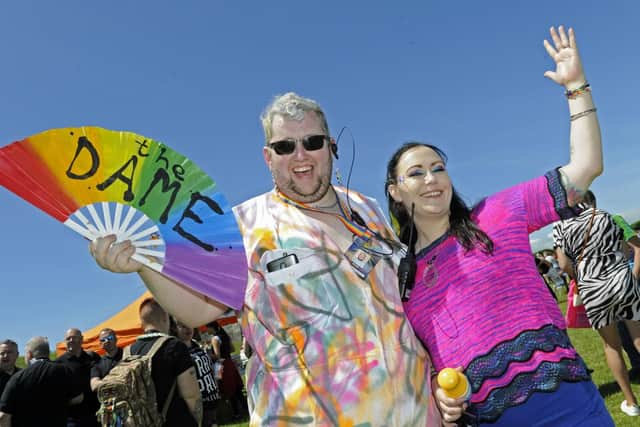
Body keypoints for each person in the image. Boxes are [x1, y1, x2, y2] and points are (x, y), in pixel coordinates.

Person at [89, 91, 442, 424]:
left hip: (415, 412)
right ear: (268, 156)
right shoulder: (242, 225)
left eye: (312, 142)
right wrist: (143, 264)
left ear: (330, 147)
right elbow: (199, 311)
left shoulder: (368, 208)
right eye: (285, 146)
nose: (300, 155)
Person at [385, 26, 614, 425]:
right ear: (395, 192)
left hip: (566, 405)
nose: (432, 178)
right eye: (416, 173)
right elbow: (419, 360)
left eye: (438, 168)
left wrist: (577, 87)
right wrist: (440, 390)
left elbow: (585, 168)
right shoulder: (398, 278)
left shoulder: (497, 212)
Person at [553, 190, 640, 416]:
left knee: (612, 346)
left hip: (593, 288)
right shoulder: (607, 216)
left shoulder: (560, 227)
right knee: (638, 335)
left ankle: (631, 403)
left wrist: (581, 277)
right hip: (621, 278)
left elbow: (562, 265)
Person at [129, 297, 202, 426]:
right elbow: (191, 395)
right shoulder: (174, 346)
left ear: (142, 324)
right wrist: (196, 421)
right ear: (165, 318)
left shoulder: (127, 352)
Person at [0, 336, 82, 427]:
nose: (5, 356)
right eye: (2, 353)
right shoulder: (66, 370)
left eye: (9, 352)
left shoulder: (19, 377)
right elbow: (78, 398)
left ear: (29, 354)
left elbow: (3, 416)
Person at [175, 321, 220, 427]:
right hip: (198, 403)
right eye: (182, 326)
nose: (188, 328)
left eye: (189, 324)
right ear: (174, 329)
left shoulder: (196, 344)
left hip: (212, 397)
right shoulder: (177, 350)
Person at [56, 328, 101, 427]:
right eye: (68, 338)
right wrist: (70, 401)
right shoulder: (58, 363)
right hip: (72, 419)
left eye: (74, 338)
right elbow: (55, 393)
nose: (71, 340)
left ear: (81, 339)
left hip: (95, 415)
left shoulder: (93, 358)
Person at [205, 321, 246, 420]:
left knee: (228, 390)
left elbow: (217, 356)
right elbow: (232, 349)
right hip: (229, 363)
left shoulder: (215, 339)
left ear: (212, 328)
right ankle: (245, 409)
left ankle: (236, 413)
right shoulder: (224, 335)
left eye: (207, 328)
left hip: (221, 366)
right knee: (236, 389)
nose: (206, 330)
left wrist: (207, 352)